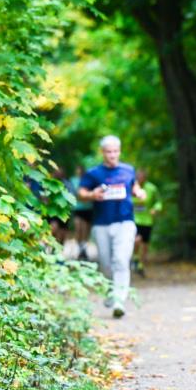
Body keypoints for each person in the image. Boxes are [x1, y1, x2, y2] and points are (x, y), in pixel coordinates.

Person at [78, 136, 147, 318]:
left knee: (121, 260)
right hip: (101, 224)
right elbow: (81, 193)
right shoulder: (93, 173)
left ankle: (119, 300)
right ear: (103, 153)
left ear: (120, 151)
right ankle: (110, 291)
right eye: (109, 152)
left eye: (115, 151)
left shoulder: (128, 170)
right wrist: (93, 194)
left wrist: (139, 192)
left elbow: (135, 187)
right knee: (106, 264)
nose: (112, 155)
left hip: (125, 222)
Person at [132, 168, 162, 277]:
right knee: (137, 240)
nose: (140, 179)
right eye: (138, 177)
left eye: (142, 177)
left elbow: (158, 202)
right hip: (135, 219)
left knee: (145, 245)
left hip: (147, 220)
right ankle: (135, 257)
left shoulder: (152, 188)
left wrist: (156, 209)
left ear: (145, 177)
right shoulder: (132, 188)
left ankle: (141, 265)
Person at [68, 165, 93, 260]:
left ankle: (83, 249)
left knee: (86, 229)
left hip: (88, 208)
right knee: (79, 227)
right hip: (77, 208)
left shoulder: (88, 180)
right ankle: (80, 247)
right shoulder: (73, 180)